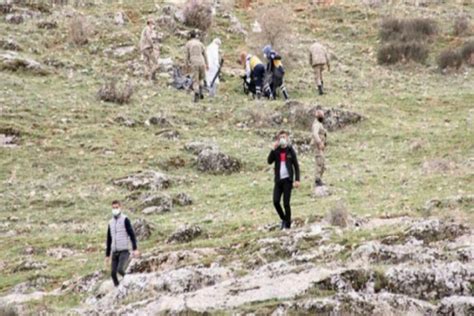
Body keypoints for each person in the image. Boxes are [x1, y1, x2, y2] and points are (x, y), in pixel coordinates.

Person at [267, 131, 300, 229]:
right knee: (276, 201)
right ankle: (284, 219)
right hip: (278, 181)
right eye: (280, 137)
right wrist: (273, 149)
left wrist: (297, 179)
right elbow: (269, 161)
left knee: (286, 203)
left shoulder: (290, 150)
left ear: (287, 138)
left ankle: (288, 225)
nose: (282, 139)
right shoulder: (276, 150)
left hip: (287, 180)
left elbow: (296, 166)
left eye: (284, 137)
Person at [105, 200, 139, 287]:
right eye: (113, 208)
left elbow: (132, 234)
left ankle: (131, 283)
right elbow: (109, 239)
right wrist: (107, 255)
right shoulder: (110, 222)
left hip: (124, 251)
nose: (115, 209)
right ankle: (118, 289)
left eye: (116, 207)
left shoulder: (125, 219)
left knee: (120, 270)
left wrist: (135, 248)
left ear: (120, 208)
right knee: (113, 273)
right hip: (114, 252)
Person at [185, 30, 209, 103]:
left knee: (195, 80)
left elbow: (186, 55)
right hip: (202, 62)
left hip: (194, 62)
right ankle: (201, 92)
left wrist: (186, 64)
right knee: (201, 78)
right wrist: (207, 63)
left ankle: (196, 94)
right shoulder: (200, 43)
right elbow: (205, 54)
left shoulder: (188, 44)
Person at [311, 110, 327, 187]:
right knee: (319, 163)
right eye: (321, 116)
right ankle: (317, 180)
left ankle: (319, 179)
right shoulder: (316, 124)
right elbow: (315, 134)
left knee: (323, 163)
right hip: (318, 147)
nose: (322, 117)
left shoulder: (319, 124)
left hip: (320, 147)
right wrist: (320, 142)